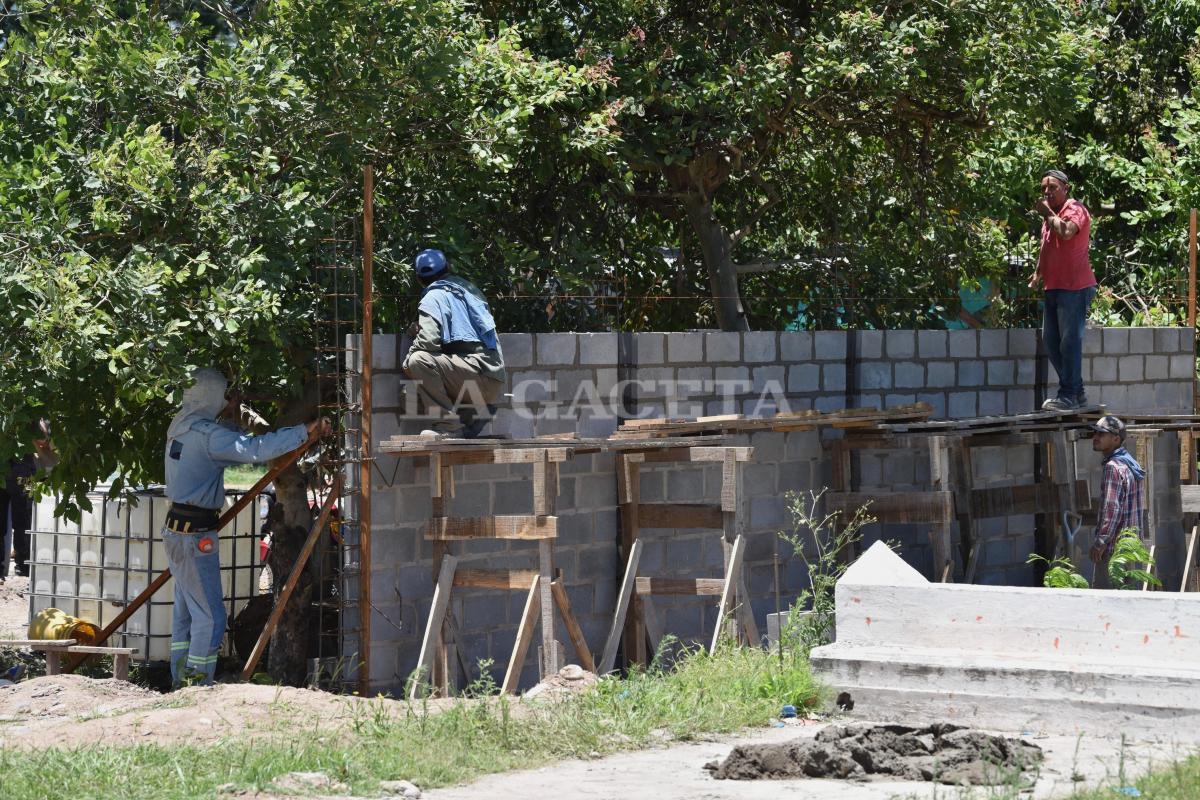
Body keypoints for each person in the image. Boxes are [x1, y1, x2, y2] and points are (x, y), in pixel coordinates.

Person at [164, 368, 329, 686]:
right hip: (195, 536)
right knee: (210, 618)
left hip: (175, 532)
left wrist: (228, 411)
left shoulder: (182, 426)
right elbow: (254, 449)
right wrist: (303, 431)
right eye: (223, 394)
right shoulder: (209, 437)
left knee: (185, 614)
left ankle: (179, 681)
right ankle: (196, 686)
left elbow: (216, 443)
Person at [401, 249, 506, 438]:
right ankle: (473, 415)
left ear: (419, 279)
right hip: (493, 379)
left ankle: (449, 426)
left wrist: (407, 362)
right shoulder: (471, 290)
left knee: (418, 363)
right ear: (449, 267)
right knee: (417, 389)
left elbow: (428, 342)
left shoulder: (433, 297)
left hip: (474, 378)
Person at [1028, 169, 1097, 411]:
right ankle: (1076, 393)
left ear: (1065, 188)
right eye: (1044, 189)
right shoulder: (1048, 219)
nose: (1047, 192)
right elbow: (1046, 248)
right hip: (1054, 286)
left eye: (1052, 187)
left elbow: (1066, 232)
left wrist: (1047, 213)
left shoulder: (1075, 209)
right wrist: (1037, 274)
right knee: (1051, 342)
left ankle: (1067, 394)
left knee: (1069, 342)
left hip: (1075, 287)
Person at [1088, 415, 1145, 589]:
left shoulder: (1113, 467)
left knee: (1105, 606)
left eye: (1102, 434)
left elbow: (1112, 510)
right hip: (1131, 549)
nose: (1096, 437)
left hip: (1113, 551)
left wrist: (1100, 543)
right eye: (1095, 433)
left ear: (1116, 439)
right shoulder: (1130, 464)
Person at [1, 421, 55, 582]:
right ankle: (22, 567)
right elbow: (44, 439)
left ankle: (22, 567)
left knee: (23, 521)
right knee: (21, 522)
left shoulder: (30, 413)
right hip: (17, 469)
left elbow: (44, 439)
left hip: (23, 471)